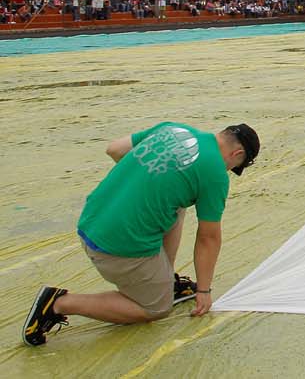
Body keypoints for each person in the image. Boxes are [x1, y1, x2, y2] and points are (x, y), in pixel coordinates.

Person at [23, 121, 260, 347]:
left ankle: (163, 279)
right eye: (233, 169)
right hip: (115, 248)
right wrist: (204, 291)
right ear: (237, 155)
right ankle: (58, 304)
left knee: (178, 205)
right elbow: (209, 238)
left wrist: (144, 183)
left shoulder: (173, 129)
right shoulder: (215, 173)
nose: (229, 171)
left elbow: (114, 149)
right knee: (157, 308)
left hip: (92, 220)